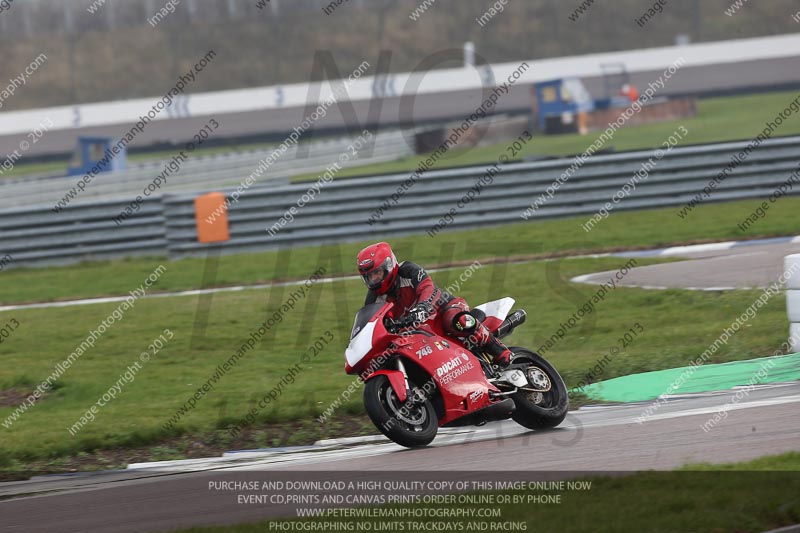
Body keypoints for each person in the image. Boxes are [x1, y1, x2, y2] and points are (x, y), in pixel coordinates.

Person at [356, 241, 512, 367]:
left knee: (458, 321)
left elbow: (427, 287)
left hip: (442, 309)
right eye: (369, 276)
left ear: (389, 266)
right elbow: (372, 324)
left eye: (377, 273)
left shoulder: (408, 271)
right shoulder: (373, 299)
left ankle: (500, 351)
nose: (374, 279)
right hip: (418, 331)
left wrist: (423, 306)